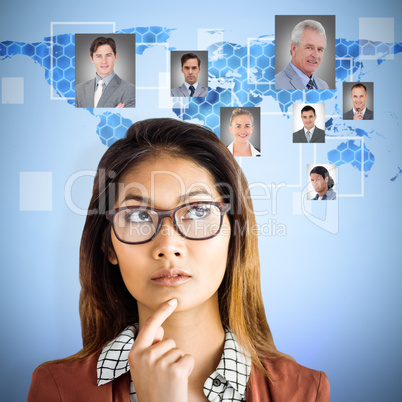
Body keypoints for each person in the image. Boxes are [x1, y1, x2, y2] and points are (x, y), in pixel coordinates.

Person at [28, 118, 330, 401]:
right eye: (137, 215)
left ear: (233, 234)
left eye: (198, 211)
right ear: (109, 247)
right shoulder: (58, 388)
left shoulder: (303, 391)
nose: (168, 246)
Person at [75, 36, 135, 108]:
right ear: (91, 59)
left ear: (115, 57)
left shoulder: (130, 89)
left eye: (108, 55)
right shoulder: (78, 90)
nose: (104, 61)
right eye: (98, 56)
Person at [275, 19, 329, 90]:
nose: (315, 55)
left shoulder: (324, 86)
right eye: (309, 47)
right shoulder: (276, 84)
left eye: (319, 49)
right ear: (294, 48)